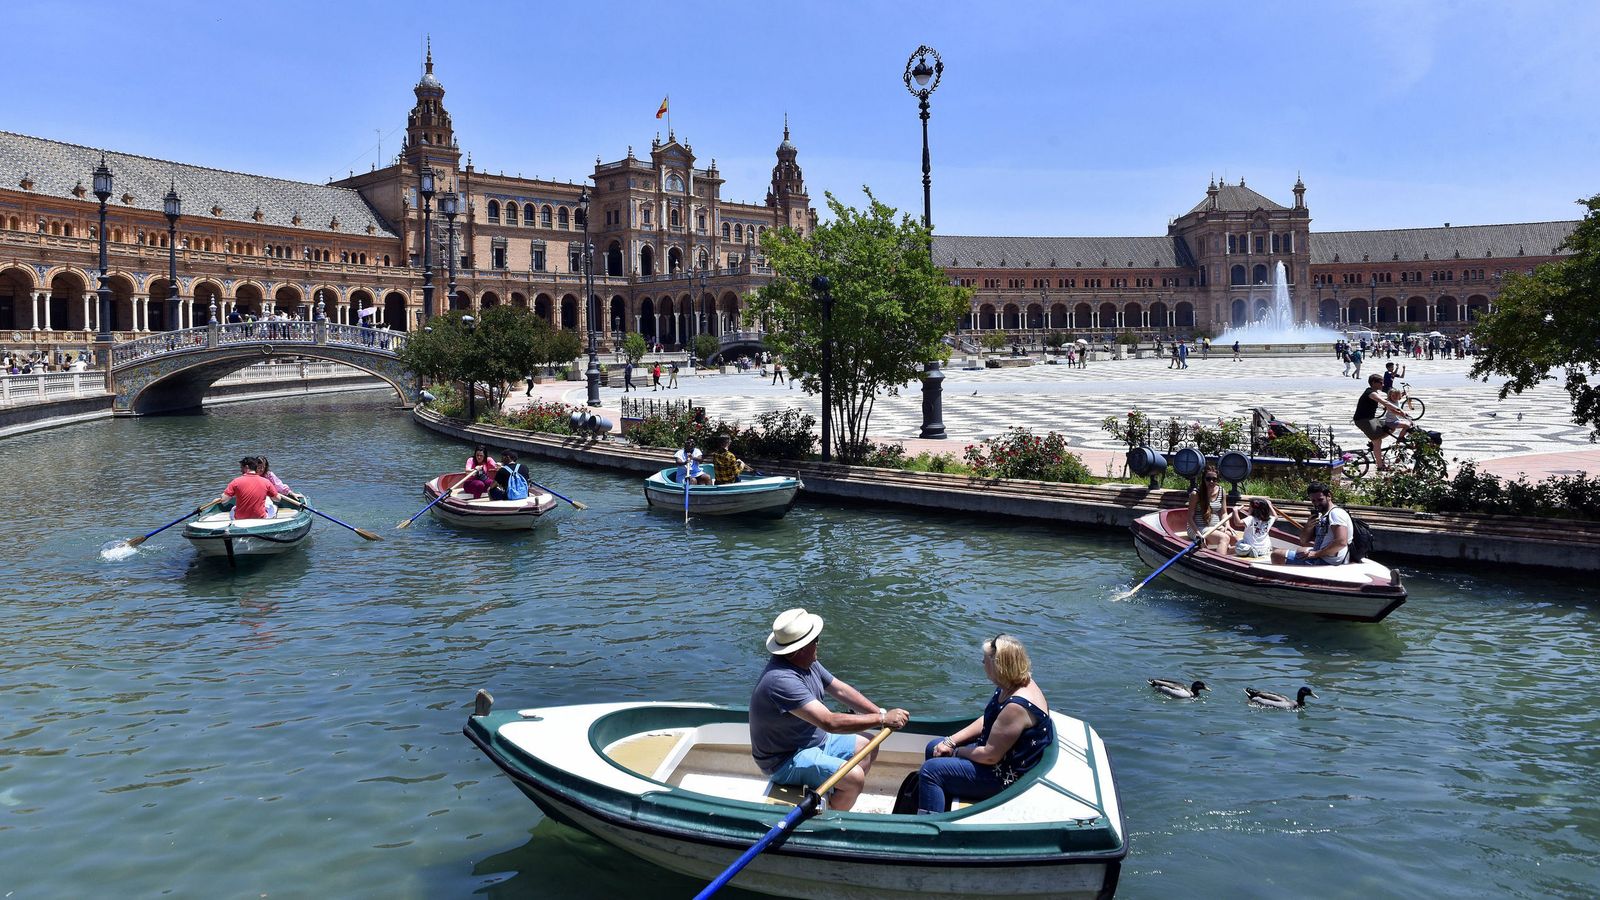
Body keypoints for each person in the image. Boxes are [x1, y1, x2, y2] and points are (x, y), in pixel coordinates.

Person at [749, 609, 910, 812]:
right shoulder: (781, 680)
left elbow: (841, 690)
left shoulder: (808, 662)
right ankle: (832, 816)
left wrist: (879, 712)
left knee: (869, 745)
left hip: (815, 740)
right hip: (785, 759)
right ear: (801, 649)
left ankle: (836, 796)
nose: (818, 643)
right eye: (815, 640)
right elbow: (829, 722)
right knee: (854, 778)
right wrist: (883, 719)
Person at [914, 634, 1052, 814]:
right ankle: (940, 802)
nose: (982, 662)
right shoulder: (1011, 683)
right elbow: (989, 719)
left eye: (985, 660)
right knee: (934, 746)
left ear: (998, 666)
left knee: (930, 771)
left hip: (1003, 777)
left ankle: (930, 824)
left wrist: (955, 751)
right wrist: (950, 741)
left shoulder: (1016, 706)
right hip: (998, 759)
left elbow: (990, 756)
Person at [1271, 482, 1351, 566]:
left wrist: (1316, 554)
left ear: (1329, 496)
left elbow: (1341, 542)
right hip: (1323, 556)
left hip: (1328, 560)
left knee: (1277, 554)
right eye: (1313, 501)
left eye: (1320, 500)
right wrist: (1308, 527)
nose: (1317, 504)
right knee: (1300, 549)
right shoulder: (1322, 516)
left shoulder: (1336, 514)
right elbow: (1303, 541)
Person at [1353, 374, 1408, 468]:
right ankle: (1380, 466)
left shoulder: (1374, 393)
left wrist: (1398, 409)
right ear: (1374, 382)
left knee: (1390, 427)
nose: (1383, 384)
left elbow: (1386, 403)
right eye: (1381, 383)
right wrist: (1400, 410)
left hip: (1371, 419)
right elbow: (1385, 402)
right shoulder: (1371, 393)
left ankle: (1373, 443)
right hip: (1362, 420)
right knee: (1377, 441)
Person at [207, 457, 281, 521]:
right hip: (260, 517)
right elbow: (278, 499)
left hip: (239, 519)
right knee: (274, 507)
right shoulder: (266, 482)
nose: (241, 470)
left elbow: (224, 500)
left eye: (241, 468)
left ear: (246, 467)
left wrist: (221, 497)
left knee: (233, 509)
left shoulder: (235, 481)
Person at [1187, 464, 1232, 552]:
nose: (1211, 481)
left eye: (1214, 479)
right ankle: (1219, 559)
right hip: (1198, 528)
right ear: (1203, 479)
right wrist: (1198, 534)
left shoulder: (1221, 491)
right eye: (1208, 479)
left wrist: (1227, 525)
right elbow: (1189, 518)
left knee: (1234, 538)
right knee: (1224, 538)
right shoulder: (1195, 494)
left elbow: (1224, 512)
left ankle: (1226, 554)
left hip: (1216, 527)